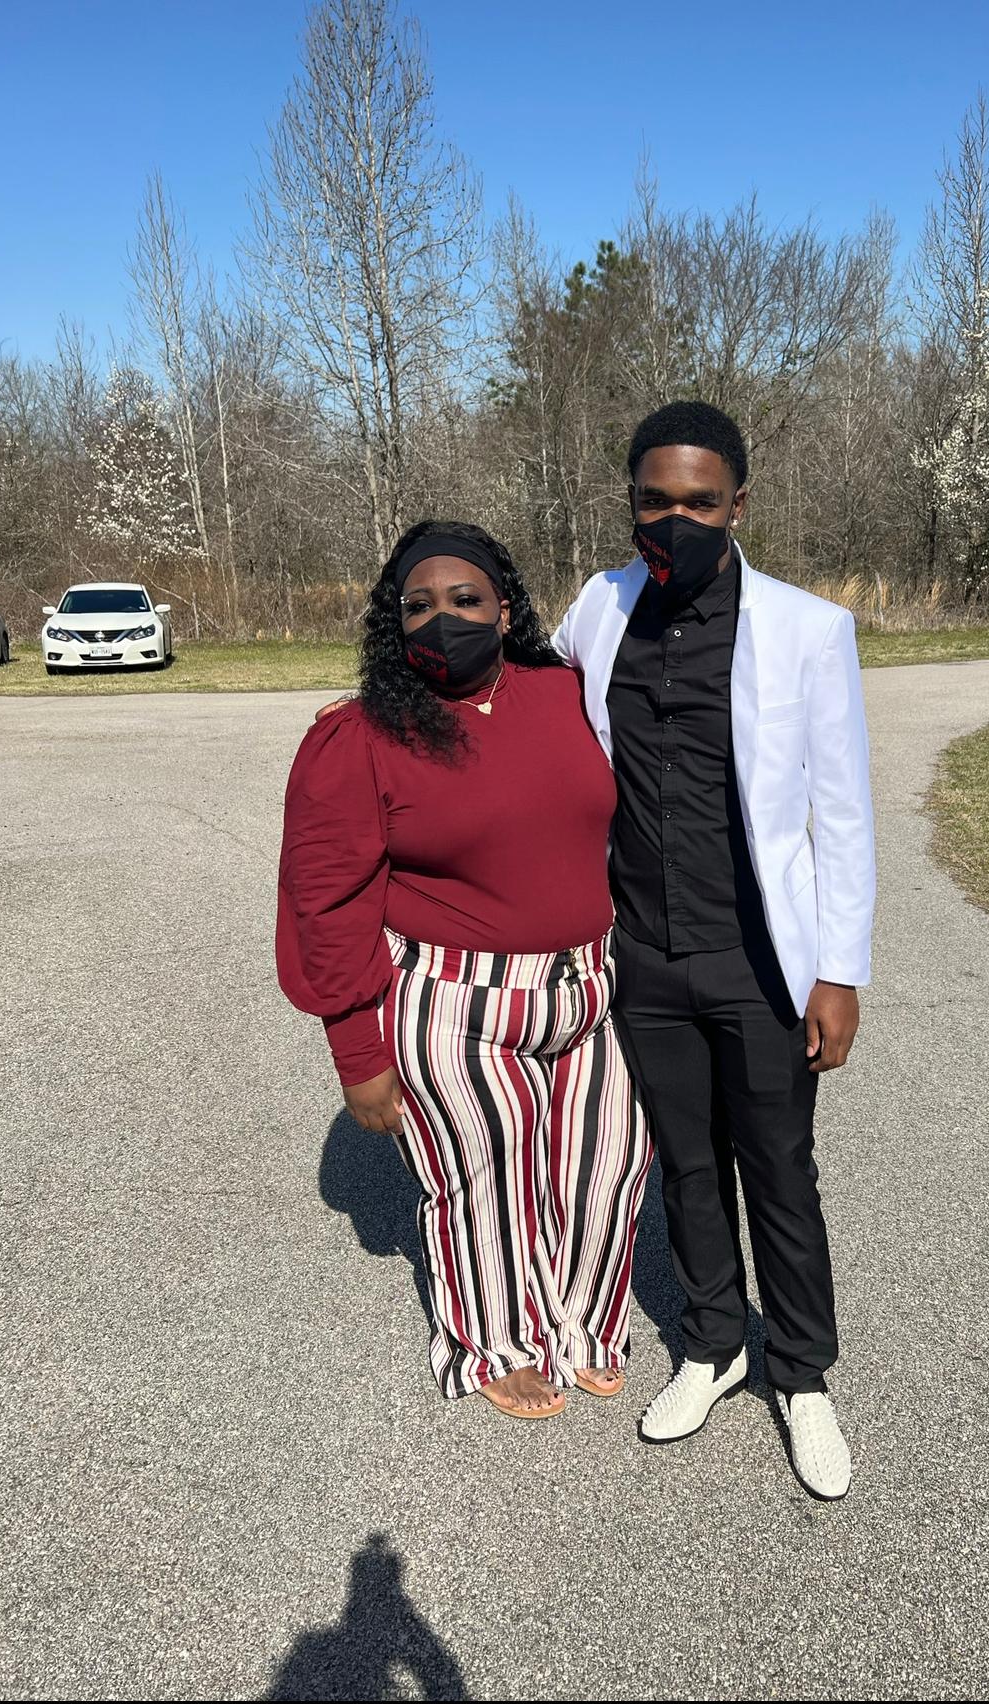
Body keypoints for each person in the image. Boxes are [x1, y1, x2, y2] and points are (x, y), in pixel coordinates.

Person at [552, 401, 875, 1499]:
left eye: (699, 501)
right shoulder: (598, 608)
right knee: (686, 1164)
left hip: (760, 958)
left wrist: (840, 970)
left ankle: (804, 1372)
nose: (675, 520)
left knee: (779, 1167)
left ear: (738, 504)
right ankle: (713, 1344)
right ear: (631, 502)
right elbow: (527, 711)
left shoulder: (808, 629)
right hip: (643, 952)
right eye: (655, 500)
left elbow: (843, 813)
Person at [277, 520, 651, 1419]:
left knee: (611, 1163)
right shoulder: (360, 736)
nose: (442, 618)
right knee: (485, 1175)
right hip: (456, 1001)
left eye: (465, 598)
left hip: (588, 989)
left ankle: (583, 1323)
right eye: (418, 606)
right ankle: (495, 1340)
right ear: (394, 623)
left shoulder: (569, 692)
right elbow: (325, 901)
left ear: (506, 609)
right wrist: (357, 1052)